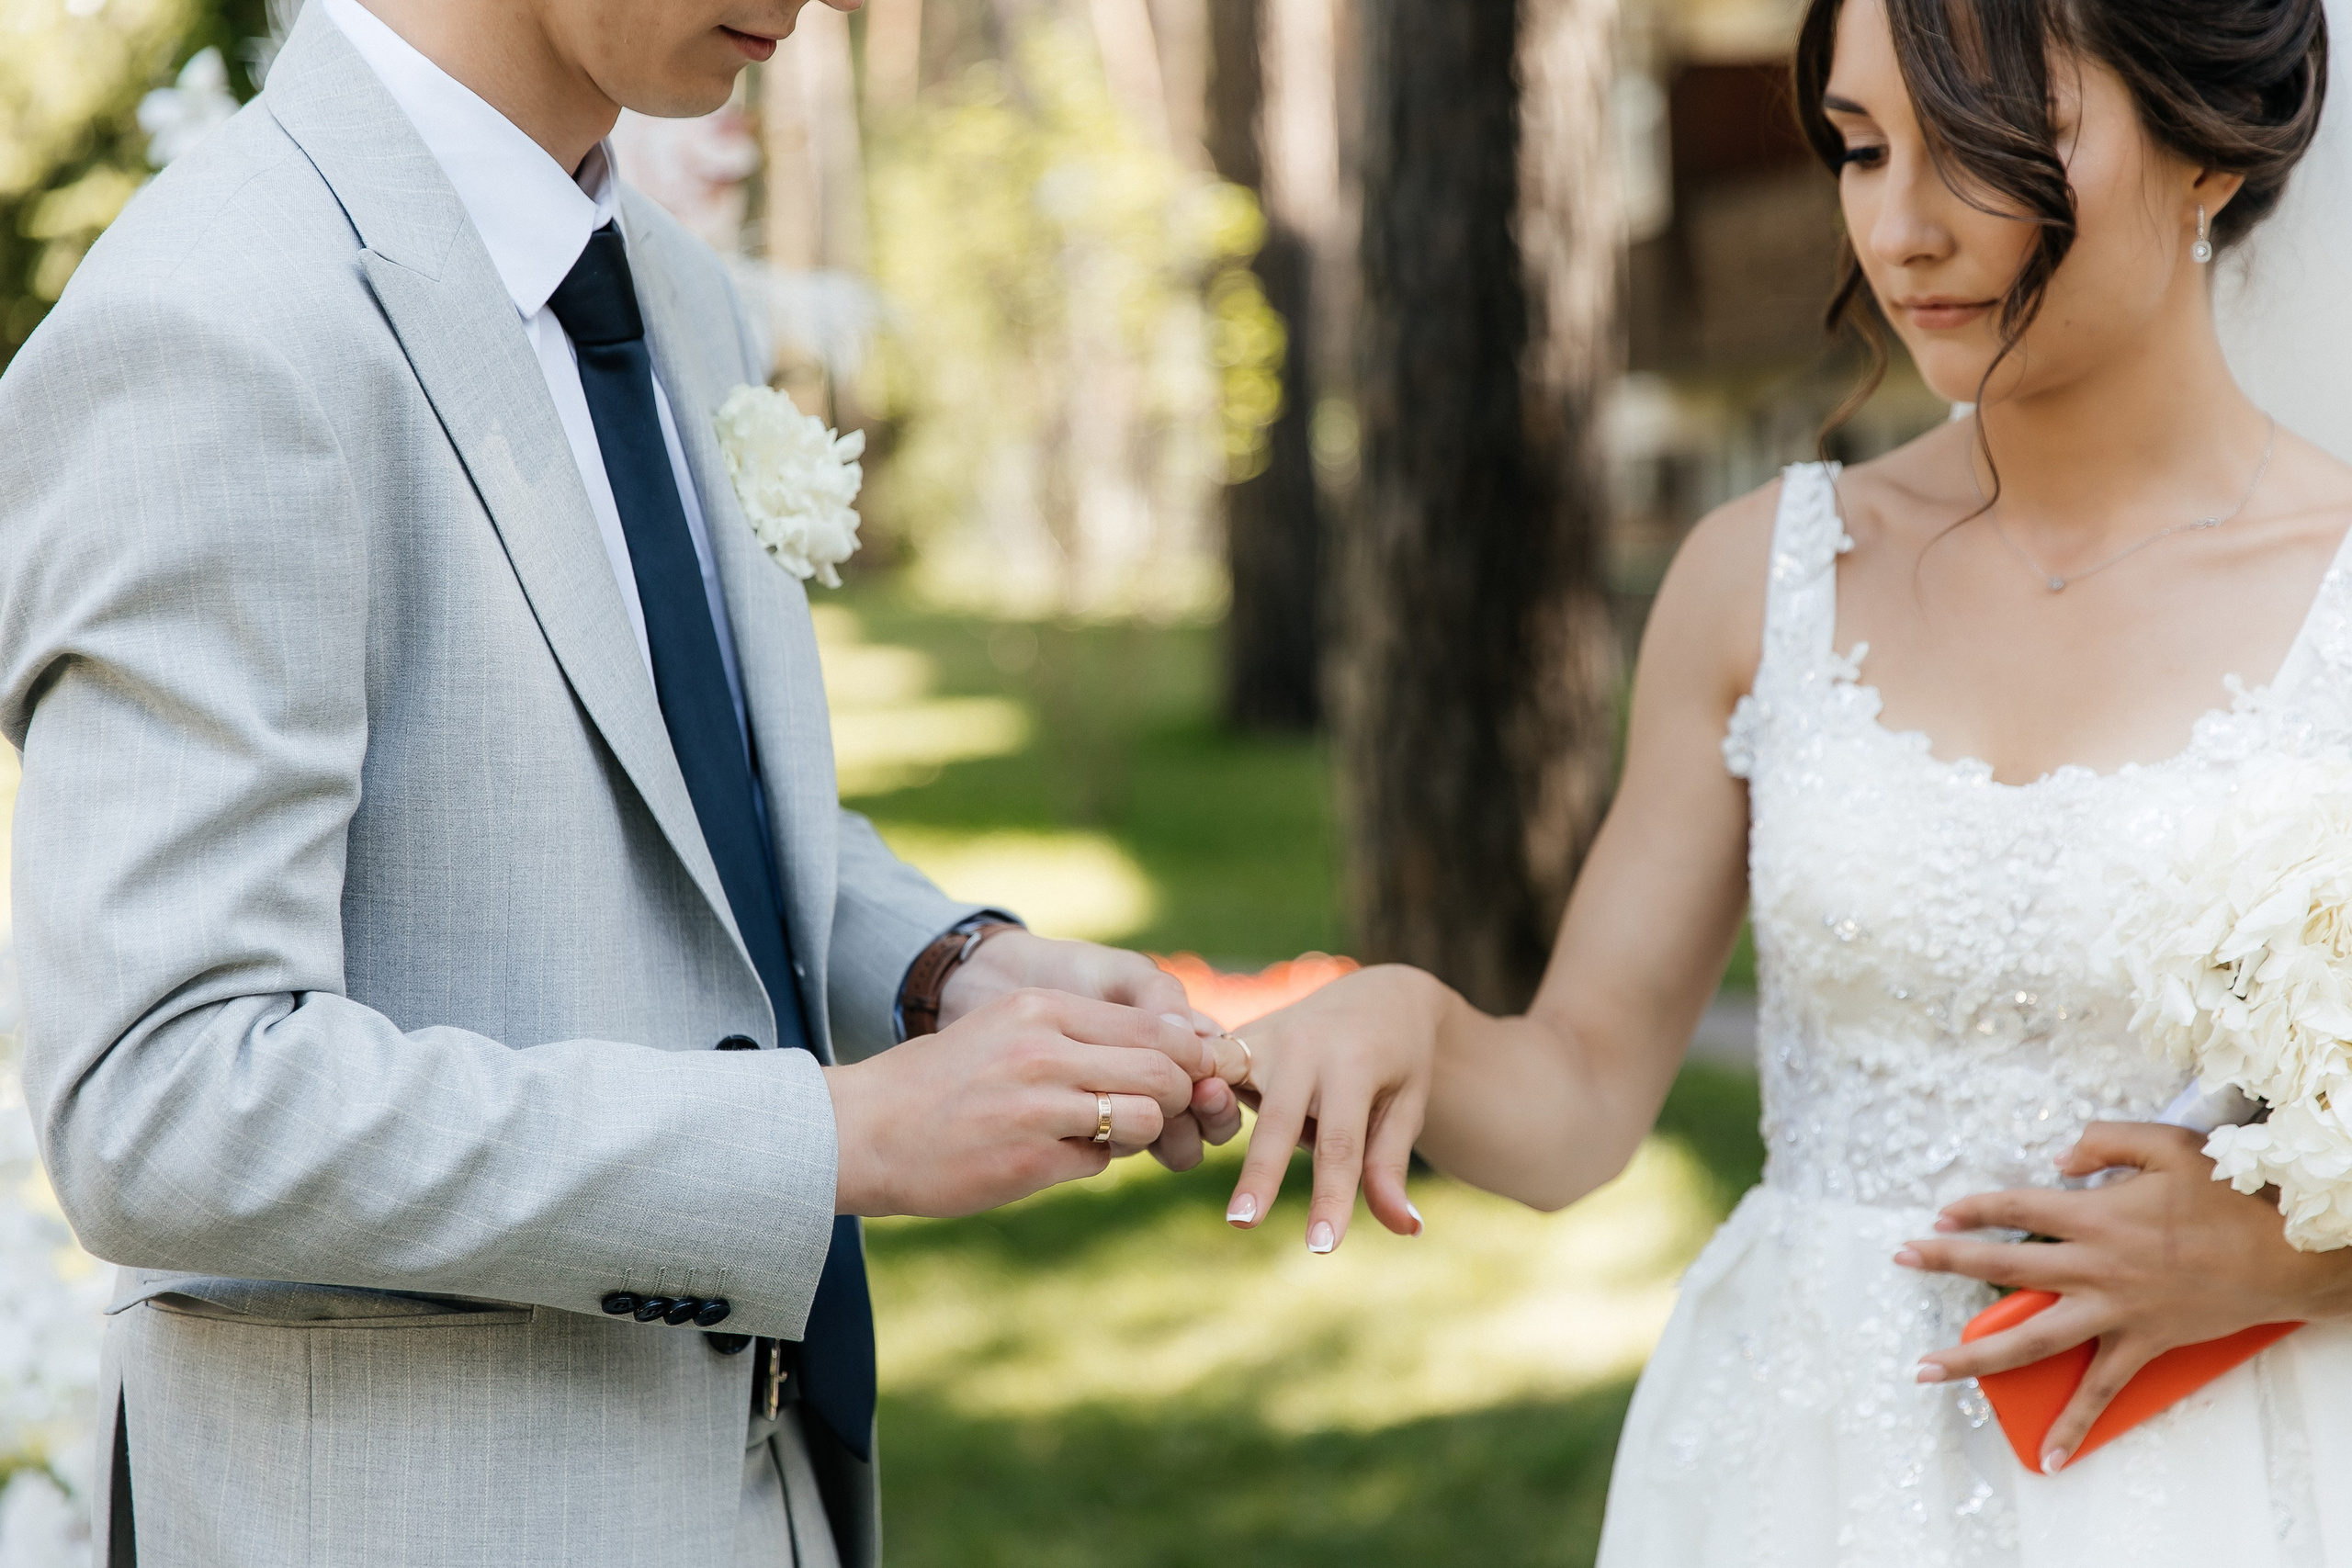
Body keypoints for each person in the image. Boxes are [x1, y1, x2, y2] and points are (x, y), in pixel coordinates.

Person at [0, 1, 1244, 1565]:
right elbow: (166, 1099)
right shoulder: (212, 318)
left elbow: (670, 801)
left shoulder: (673, 288)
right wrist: (830, 1143)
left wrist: (950, 973)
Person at [1206, 0, 2352, 1559]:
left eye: (1978, 150)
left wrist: (2309, 1257)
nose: (1897, 227)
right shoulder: (1763, 580)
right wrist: (1409, 1016)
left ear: (2210, 147)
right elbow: (1577, 1100)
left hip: (2221, 1475)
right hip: (1801, 1468)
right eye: (1863, 148)